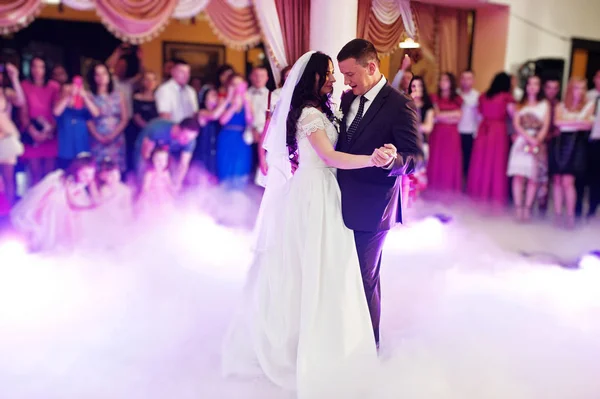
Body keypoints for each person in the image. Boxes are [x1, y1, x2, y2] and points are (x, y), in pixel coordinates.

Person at [10, 153, 98, 252]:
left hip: (74, 197)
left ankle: (73, 242)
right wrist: (88, 207)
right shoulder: (68, 180)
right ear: (76, 171)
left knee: (80, 219)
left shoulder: (90, 180)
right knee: (55, 219)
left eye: (91, 174)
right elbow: (72, 204)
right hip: (57, 199)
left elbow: (95, 196)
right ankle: (46, 243)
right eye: (85, 174)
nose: (88, 178)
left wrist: (96, 203)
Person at [506, 75, 550, 222]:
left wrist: (537, 140)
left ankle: (528, 208)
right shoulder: (520, 104)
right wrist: (528, 138)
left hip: (537, 142)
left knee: (533, 176)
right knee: (518, 175)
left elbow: (545, 125)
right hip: (521, 141)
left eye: (536, 84)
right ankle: (518, 207)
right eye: (530, 84)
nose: (532, 87)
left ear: (539, 87)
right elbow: (517, 124)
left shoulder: (544, 105)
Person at [134, 117, 200, 190]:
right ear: (178, 129)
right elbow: (145, 154)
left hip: (165, 153)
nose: (187, 141)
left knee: (167, 179)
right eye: (185, 137)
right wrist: (150, 173)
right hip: (144, 149)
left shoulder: (190, 140)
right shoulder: (158, 130)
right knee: (145, 177)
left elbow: (183, 164)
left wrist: (177, 184)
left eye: (191, 139)